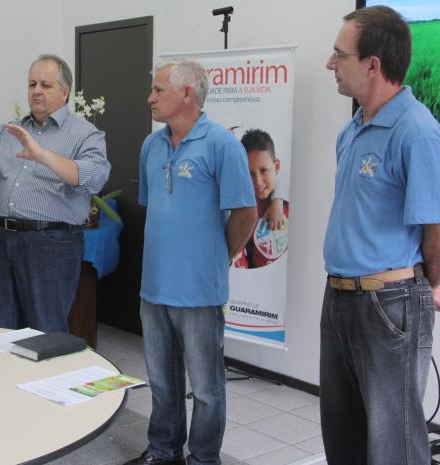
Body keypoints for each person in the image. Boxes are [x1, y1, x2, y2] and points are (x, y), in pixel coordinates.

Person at [321, 6, 440, 465]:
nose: (330, 63)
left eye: (339, 55)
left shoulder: (417, 132)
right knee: (343, 439)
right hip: (339, 299)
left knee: (392, 448)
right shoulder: (352, 130)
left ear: (373, 65)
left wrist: (418, 286)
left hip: (386, 308)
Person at [123, 59, 257, 465]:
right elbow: (155, 207)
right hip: (155, 287)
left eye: (158, 90)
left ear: (186, 94)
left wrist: (218, 255)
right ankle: (164, 451)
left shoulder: (222, 145)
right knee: (162, 383)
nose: (149, 97)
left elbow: (246, 214)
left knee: (206, 388)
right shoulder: (152, 145)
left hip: (199, 291)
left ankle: (202, 459)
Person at [0, 54, 110, 332]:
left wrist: (43, 155)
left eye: (46, 85)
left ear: (65, 92)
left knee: (44, 331)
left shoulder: (85, 134)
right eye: (32, 83)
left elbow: (95, 178)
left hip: (52, 242)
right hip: (3, 239)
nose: (36, 90)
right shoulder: (8, 130)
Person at [232, 129, 289, 269]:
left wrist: (278, 199)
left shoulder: (289, 199)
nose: (258, 181)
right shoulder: (241, 208)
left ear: (276, 166)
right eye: (250, 173)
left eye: (263, 171)